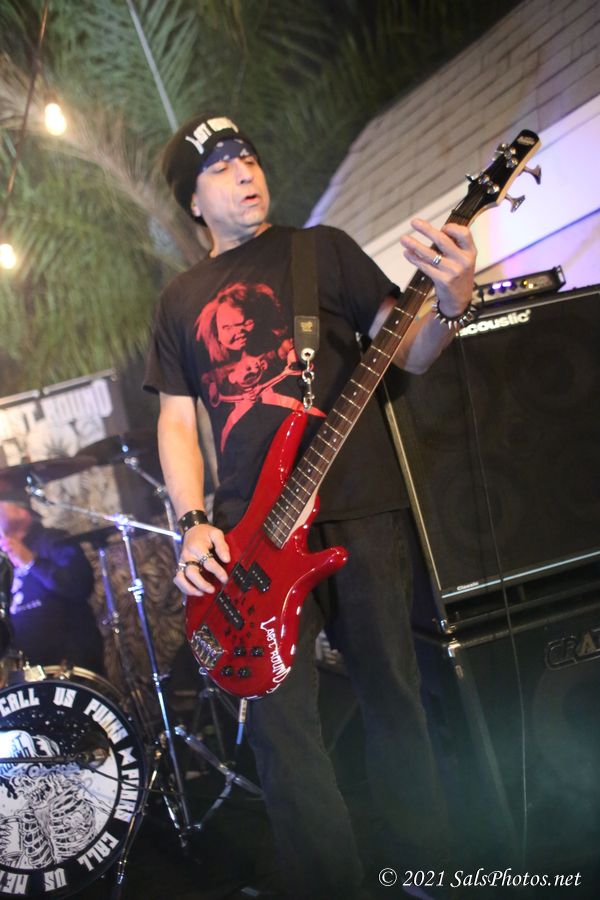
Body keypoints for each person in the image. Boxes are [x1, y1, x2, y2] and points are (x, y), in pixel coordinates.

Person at [144, 114, 477, 900]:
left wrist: (453, 300)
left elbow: (410, 350)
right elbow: (176, 423)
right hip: (249, 539)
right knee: (281, 735)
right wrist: (192, 524)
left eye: (249, 157)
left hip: (358, 509)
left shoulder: (322, 250)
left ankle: (427, 872)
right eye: (222, 166)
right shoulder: (179, 301)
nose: (245, 172)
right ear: (193, 200)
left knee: (395, 699)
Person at [0, 495, 104, 673]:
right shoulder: (3, 559)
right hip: (24, 668)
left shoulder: (54, 540)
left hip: (70, 660)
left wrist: (32, 562)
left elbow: (79, 585)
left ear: (22, 511)